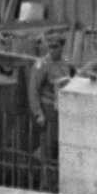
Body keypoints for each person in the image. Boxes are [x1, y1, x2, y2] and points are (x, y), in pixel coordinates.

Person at [23, 32, 72, 183]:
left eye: (56, 46)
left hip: (62, 110)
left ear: (62, 47)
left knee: (61, 147)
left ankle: (58, 182)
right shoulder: (42, 64)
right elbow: (33, 90)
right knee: (48, 147)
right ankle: (46, 183)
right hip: (48, 109)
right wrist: (38, 113)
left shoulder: (66, 63)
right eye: (50, 46)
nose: (52, 50)